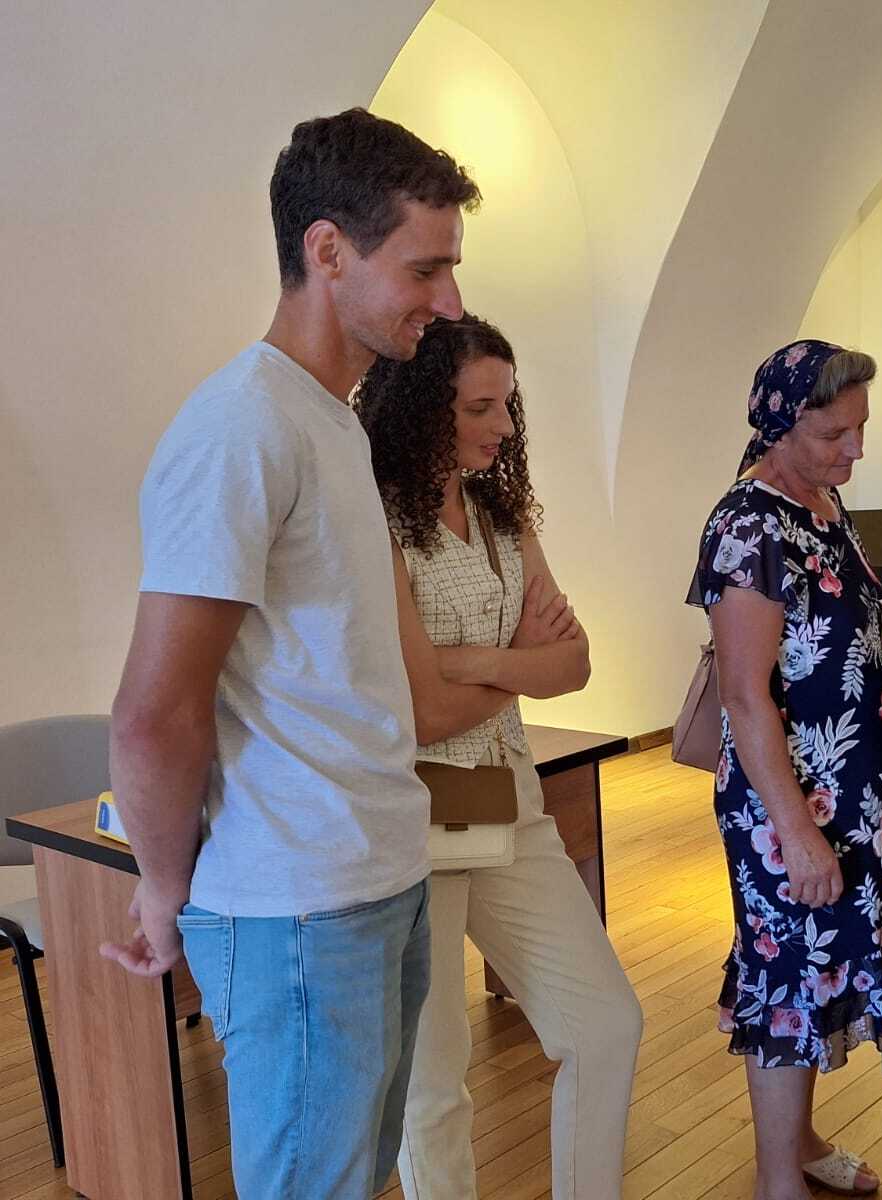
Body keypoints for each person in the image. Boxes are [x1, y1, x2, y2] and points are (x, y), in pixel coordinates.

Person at [103, 109, 479, 1198]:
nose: (450, 303)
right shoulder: (242, 426)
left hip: (375, 872)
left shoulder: (332, 421)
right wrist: (164, 888)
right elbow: (155, 711)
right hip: (298, 905)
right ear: (328, 251)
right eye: (425, 269)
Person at [354, 314, 642, 1199]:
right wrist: (520, 663)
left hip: (508, 803)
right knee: (433, 1083)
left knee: (605, 1025)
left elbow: (575, 663)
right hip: (413, 822)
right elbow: (419, 711)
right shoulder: (375, 523)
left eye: (507, 405)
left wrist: (472, 661)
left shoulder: (498, 515)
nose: (504, 426)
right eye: (481, 408)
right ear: (419, 410)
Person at [687, 340, 882, 1200]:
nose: (856, 448)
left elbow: (821, 649)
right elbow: (746, 695)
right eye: (836, 433)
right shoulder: (749, 526)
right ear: (782, 424)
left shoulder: (825, 505)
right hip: (788, 800)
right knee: (786, 974)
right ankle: (777, 1180)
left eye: (862, 427)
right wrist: (797, 835)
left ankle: (798, 1140)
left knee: (820, 964)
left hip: (855, 785)